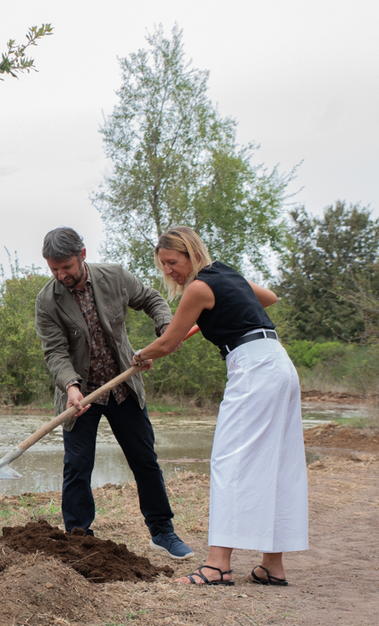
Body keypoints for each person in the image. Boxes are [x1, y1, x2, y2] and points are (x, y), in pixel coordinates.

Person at [134, 226, 307, 587]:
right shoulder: (228, 275)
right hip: (278, 363)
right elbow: (269, 297)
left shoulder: (198, 288)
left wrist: (141, 356)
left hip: (254, 369)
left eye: (172, 262)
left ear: (192, 254)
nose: (168, 271)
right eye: (163, 265)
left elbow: (166, 344)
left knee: (229, 462)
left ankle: (216, 566)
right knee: (273, 462)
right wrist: (215, 316)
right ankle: (272, 566)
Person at [35, 227, 193, 560]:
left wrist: (166, 328)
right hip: (81, 397)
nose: (61, 275)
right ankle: (79, 538)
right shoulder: (47, 301)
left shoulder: (115, 277)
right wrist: (71, 386)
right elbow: (55, 352)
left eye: (66, 267)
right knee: (77, 466)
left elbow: (151, 299)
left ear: (83, 254)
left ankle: (163, 532)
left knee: (145, 461)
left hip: (124, 387)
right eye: (54, 269)